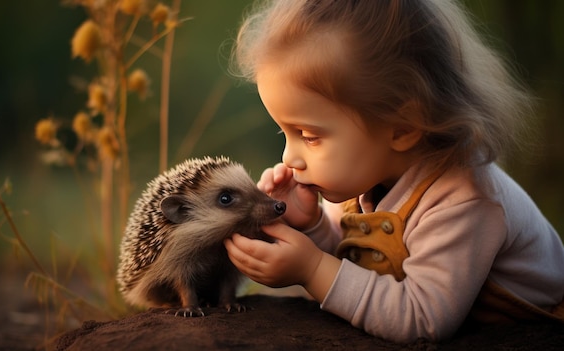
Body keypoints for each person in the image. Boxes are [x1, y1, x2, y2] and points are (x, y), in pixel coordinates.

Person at [223, 0, 564, 343]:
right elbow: (359, 269)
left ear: (402, 128)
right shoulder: (359, 176)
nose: (288, 157)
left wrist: (310, 269)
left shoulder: (463, 201)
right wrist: (310, 226)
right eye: (285, 133)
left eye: (309, 136)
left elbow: (421, 317)